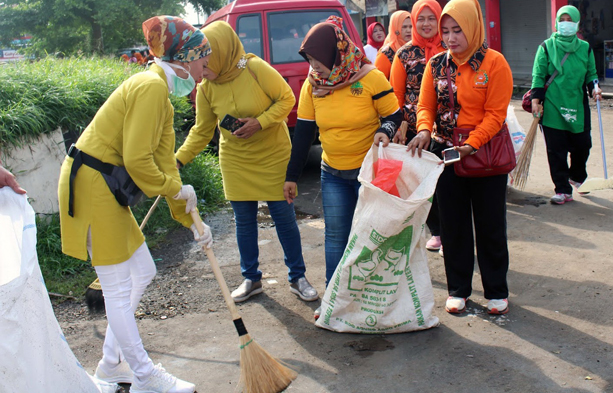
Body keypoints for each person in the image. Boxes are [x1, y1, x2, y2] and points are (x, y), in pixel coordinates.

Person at [58, 16, 213, 393]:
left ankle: (111, 365)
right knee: (114, 288)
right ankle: (144, 375)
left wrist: (191, 218)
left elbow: (163, 165)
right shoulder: (150, 87)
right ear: (184, 57)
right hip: (92, 187)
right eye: (203, 59)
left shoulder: (160, 93)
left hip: (104, 188)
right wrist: (175, 192)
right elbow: (138, 161)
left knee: (142, 270)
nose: (206, 68)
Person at [175, 21, 319, 304]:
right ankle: (251, 278)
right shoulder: (206, 89)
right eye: (199, 67)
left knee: (284, 218)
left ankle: (297, 277)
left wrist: (261, 122)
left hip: (272, 156)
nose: (202, 73)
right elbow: (202, 130)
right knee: (243, 221)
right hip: (236, 160)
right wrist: (178, 160)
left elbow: (286, 98)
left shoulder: (255, 69)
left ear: (220, 53)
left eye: (205, 64)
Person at [283, 16, 402, 320]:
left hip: (368, 174)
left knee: (371, 236)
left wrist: (384, 131)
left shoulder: (370, 78)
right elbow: (304, 134)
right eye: (308, 59)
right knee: (336, 237)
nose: (313, 66)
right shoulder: (313, 87)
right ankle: (334, 298)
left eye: (317, 58)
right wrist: (291, 177)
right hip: (332, 173)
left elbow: (395, 116)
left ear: (335, 53)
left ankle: (373, 299)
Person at [413, 0, 513, 315]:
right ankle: (458, 289)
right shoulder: (436, 65)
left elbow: (495, 116)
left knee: (490, 226)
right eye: (446, 31)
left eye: (457, 30)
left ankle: (496, 291)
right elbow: (425, 106)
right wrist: (424, 130)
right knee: (453, 226)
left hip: (486, 157)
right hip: (446, 154)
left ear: (472, 27)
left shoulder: (495, 64)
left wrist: (471, 144)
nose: (451, 37)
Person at [530, 5, 602, 205]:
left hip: (577, 105)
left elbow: (591, 73)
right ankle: (562, 189)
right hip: (553, 105)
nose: (566, 24)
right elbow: (538, 74)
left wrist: (595, 88)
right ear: (556, 22)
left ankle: (576, 177)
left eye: (570, 20)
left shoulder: (585, 48)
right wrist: (536, 100)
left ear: (577, 23)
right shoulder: (546, 47)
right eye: (562, 20)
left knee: (583, 145)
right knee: (556, 150)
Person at [390, 0, 445, 253]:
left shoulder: (451, 48)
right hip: (416, 133)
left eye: (431, 18)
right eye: (420, 19)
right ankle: (438, 231)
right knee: (423, 185)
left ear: (439, 20)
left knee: (448, 185)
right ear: (413, 22)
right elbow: (397, 96)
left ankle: (454, 231)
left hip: (447, 131)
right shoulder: (404, 54)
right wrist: (399, 132)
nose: (425, 24)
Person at [374, 10, 412, 79]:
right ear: (395, 28)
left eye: (411, 26)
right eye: (404, 27)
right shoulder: (386, 53)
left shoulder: (415, 49)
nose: (408, 30)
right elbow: (377, 81)